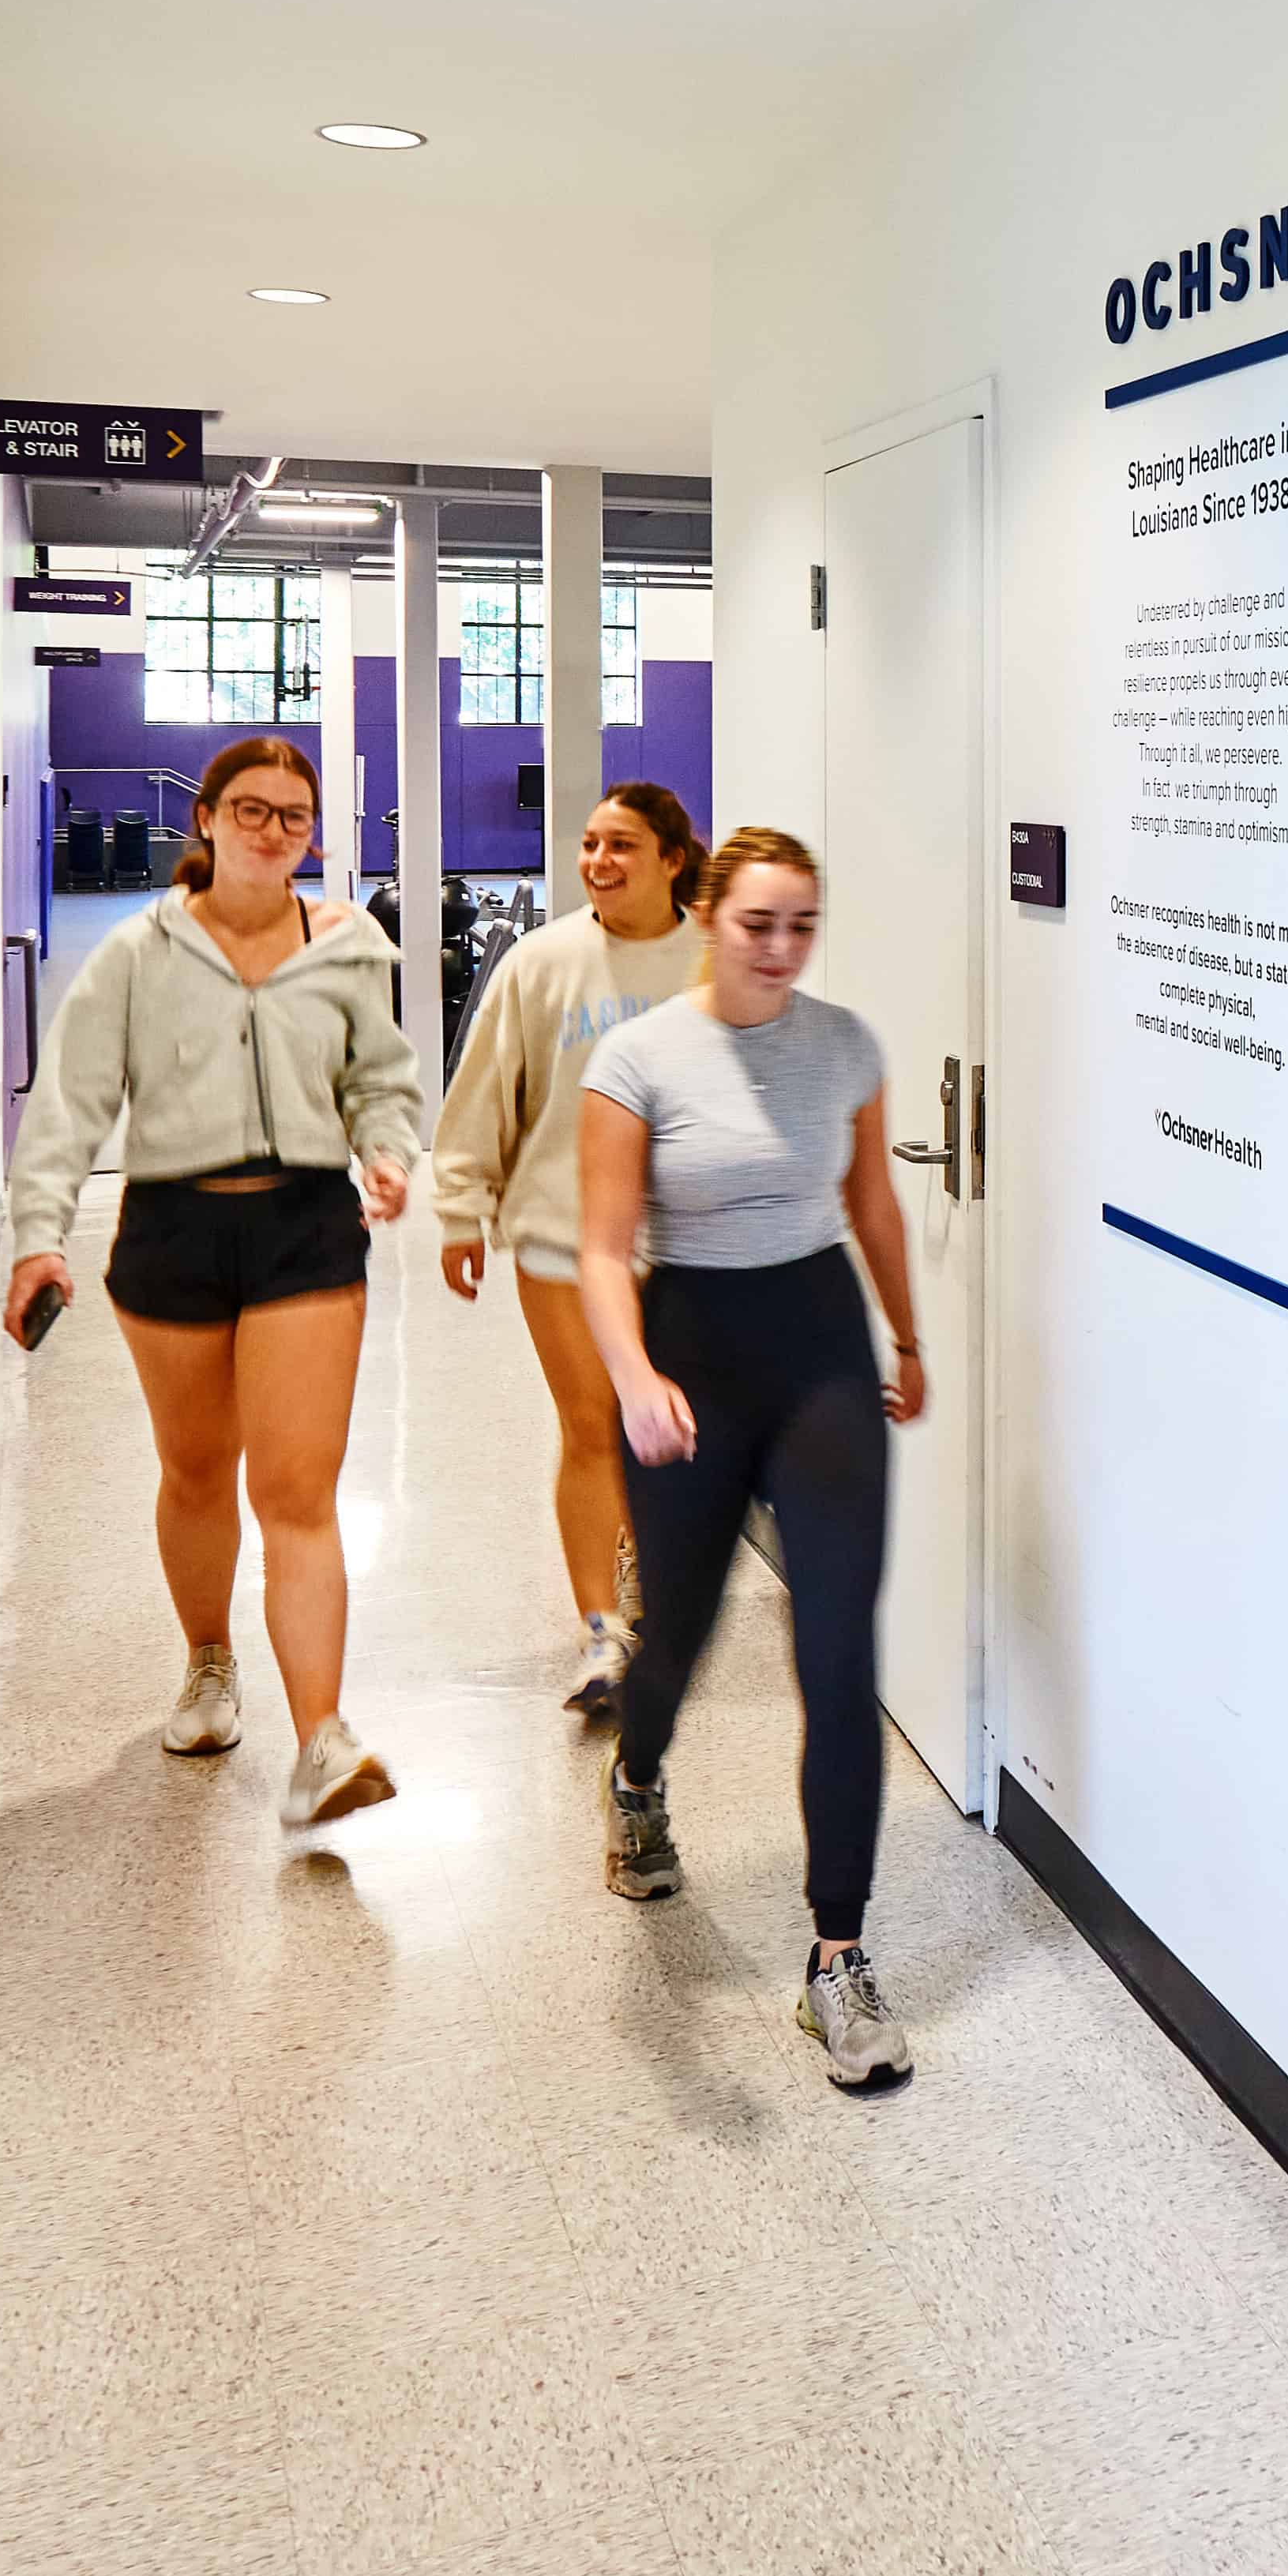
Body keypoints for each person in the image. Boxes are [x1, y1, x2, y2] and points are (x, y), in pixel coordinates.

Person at [2, 734, 424, 1827]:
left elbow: (381, 1075)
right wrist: (38, 1234)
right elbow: (70, 1104)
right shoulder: (140, 951)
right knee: (197, 1470)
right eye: (251, 807)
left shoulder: (349, 944)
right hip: (174, 1232)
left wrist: (385, 1147)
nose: (272, 828)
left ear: (311, 831)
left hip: (306, 1232)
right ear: (208, 818)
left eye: (293, 813)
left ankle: (323, 1737)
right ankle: (207, 1662)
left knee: (297, 1489)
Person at [578, 827, 931, 2092]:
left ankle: (837, 1959)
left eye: (801, 925)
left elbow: (874, 1201)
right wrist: (636, 1379)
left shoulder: (843, 1045)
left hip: (820, 1349)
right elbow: (605, 1245)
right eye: (757, 924)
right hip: (689, 1355)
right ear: (710, 916)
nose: (780, 948)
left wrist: (904, 1332)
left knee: (840, 1651)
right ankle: (636, 1776)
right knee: (677, 1628)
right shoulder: (638, 1057)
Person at [432, 780, 708, 1718]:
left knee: (668, 1436)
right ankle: (600, 1631)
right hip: (557, 1232)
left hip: (687, 1242)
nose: (597, 862)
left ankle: (642, 1575)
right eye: (589, 844)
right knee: (592, 1429)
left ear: (673, 858)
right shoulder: (541, 964)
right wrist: (461, 1210)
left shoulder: (716, 961)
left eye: (622, 845)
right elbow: (481, 1093)